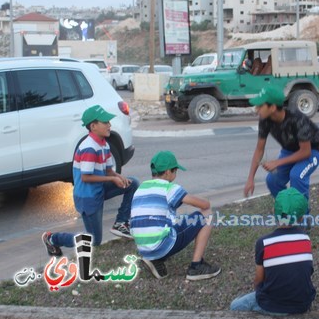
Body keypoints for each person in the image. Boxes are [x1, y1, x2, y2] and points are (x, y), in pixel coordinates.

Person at [42, 105, 139, 256]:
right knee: (93, 241)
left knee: (132, 184)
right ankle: (53, 238)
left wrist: (119, 177)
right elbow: (85, 177)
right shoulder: (89, 147)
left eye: (109, 122)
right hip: (88, 197)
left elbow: (108, 169)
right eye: (105, 122)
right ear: (93, 126)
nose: (109, 125)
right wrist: (112, 179)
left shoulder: (104, 144)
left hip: (99, 189)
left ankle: (121, 223)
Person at [130, 150, 221, 281]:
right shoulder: (169, 188)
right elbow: (204, 205)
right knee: (207, 214)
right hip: (160, 244)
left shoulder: (141, 188)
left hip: (143, 249)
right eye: (175, 171)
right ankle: (196, 266)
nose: (175, 174)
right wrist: (206, 201)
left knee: (170, 222)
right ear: (167, 172)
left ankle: (156, 260)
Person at [230, 187, 316, 315]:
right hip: (302, 304)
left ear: (274, 212)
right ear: (302, 217)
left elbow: (259, 279)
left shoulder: (263, 243)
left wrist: (259, 292)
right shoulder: (305, 239)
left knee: (235, 306)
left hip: (273, 305)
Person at [244, 85, 319, 206]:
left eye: (260, 106)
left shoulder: (297, 119)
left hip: (316, 149)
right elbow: (259, 149)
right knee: (272, 180)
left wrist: (277, 163)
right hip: (290, 150)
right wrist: (250, 179)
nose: (256, 109)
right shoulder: (265, 119)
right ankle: (287, 209)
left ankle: (303, 216)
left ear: (272, 107)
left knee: (297, 176)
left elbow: (305, 152)